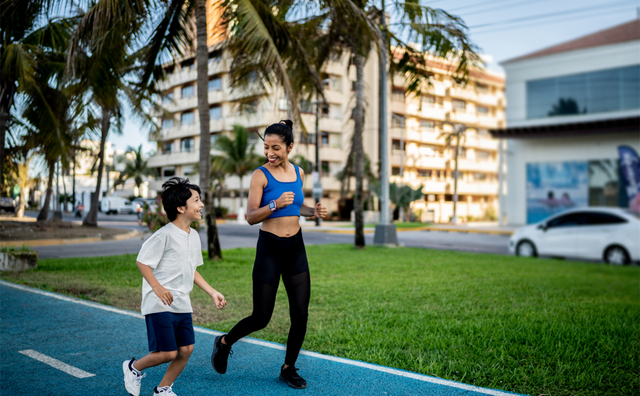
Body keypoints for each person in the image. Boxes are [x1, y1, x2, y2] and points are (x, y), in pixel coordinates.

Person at [211, 120, 327, 389]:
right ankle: (225, 342)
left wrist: (313, 211)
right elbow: (251, 216)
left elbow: (297, 207)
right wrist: (274, 204)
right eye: (266, 147)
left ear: (290, 147)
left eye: (276, 148)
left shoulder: (298, 172)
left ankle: (288, 368)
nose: (270, 153)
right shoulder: (260, 175)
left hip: (295, 248)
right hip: (270, 249)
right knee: (261, 317)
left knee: (300, 313)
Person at [123, 177, 227, 396]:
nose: (201, 205)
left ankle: (163, 389)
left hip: (182, 302)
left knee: (186, 349)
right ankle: (133, 367)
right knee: (168, 353)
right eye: (197, 200)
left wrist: (212, 291)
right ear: (181, 208)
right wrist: (158, 288)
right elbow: (142, 262)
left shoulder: (195, 236)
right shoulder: (164, 235)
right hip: (159, 302)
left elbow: (192, 270)